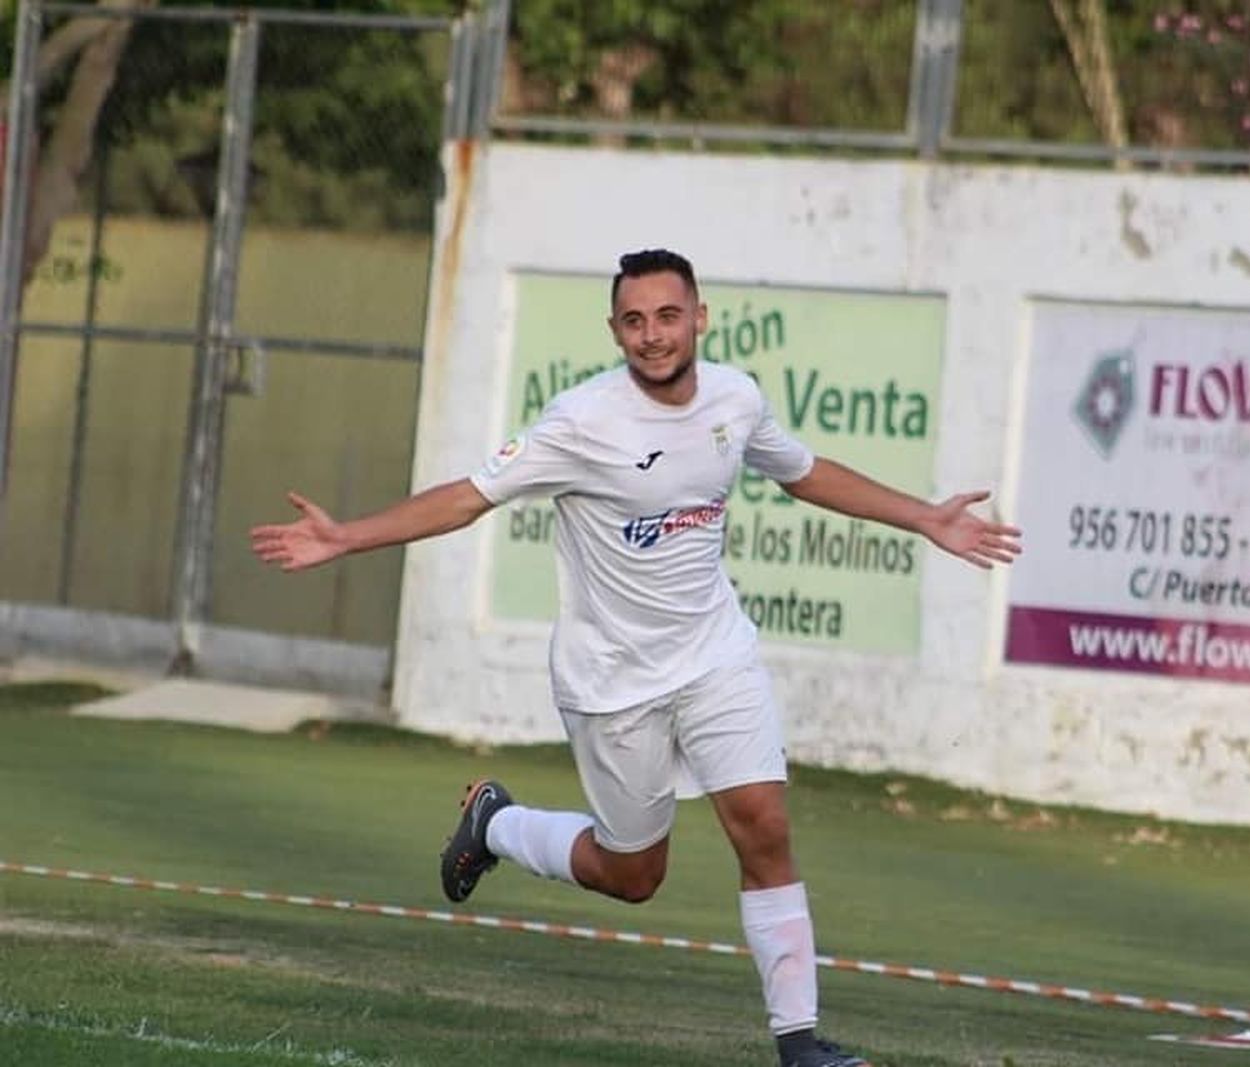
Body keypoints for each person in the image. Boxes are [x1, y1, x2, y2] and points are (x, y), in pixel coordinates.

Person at [250, 248, 1022, 1067]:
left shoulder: (735, 398)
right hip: (611, 681)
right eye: (634, 321)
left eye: (667, 316)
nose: (652, 336)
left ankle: (800, 1045)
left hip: (714, 655)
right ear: (615, 329)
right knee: (633, 874)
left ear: (700, 317)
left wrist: (925, 519)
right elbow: (468, 496)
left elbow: (802, 473)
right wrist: (348, 536)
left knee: (763, 824)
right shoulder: (583, 421)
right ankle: (499, 824)